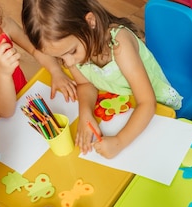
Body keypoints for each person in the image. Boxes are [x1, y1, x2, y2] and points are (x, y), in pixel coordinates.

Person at [21, 0, 182, 159]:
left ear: (90, 22)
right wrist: (85, 113)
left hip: (158, 105)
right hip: (123, 103)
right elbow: (85, 83)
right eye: (59, 57)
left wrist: (119, 142)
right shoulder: (75, 47)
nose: (68, 63)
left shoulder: (119, 45)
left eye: (72, 52)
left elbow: (147, 103)